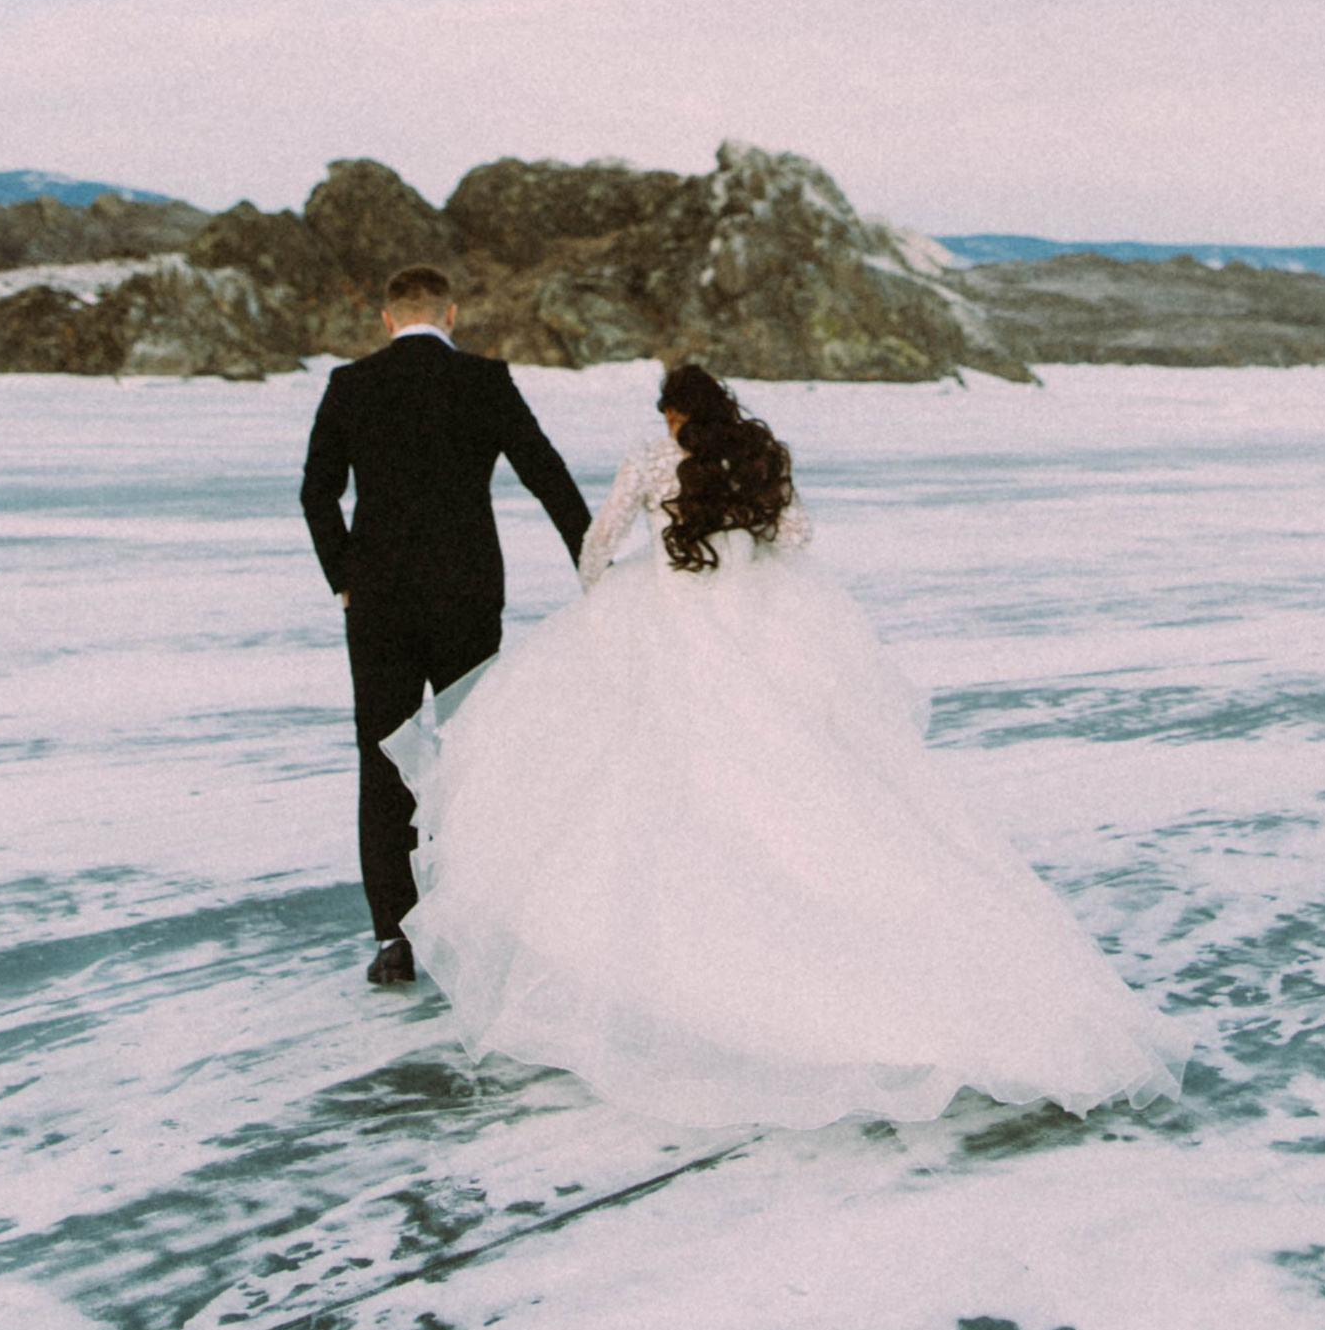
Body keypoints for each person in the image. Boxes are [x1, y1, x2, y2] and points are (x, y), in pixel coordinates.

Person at [381, 361, 1186, 1129]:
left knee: (652, 798)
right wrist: (743, 540)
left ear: (673, 413)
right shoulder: (760, 453)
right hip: (756, 620)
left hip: (669, 621)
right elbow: (795, 534)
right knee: (807, 789)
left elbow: (600, 541)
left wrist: (604, 602)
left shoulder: (653, 457)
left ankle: (689, 983)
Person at [301, 263, 592, 986]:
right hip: (467, 594)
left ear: (387, 319)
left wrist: (344, 576)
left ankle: (395, 938)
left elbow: (316, 493)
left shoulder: (351, 383)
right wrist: (593, 565)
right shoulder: (484, 380)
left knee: (384, 760)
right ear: (451, 315)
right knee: (471, 754)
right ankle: (474, 921)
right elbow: (546, 473)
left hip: (379, 603)